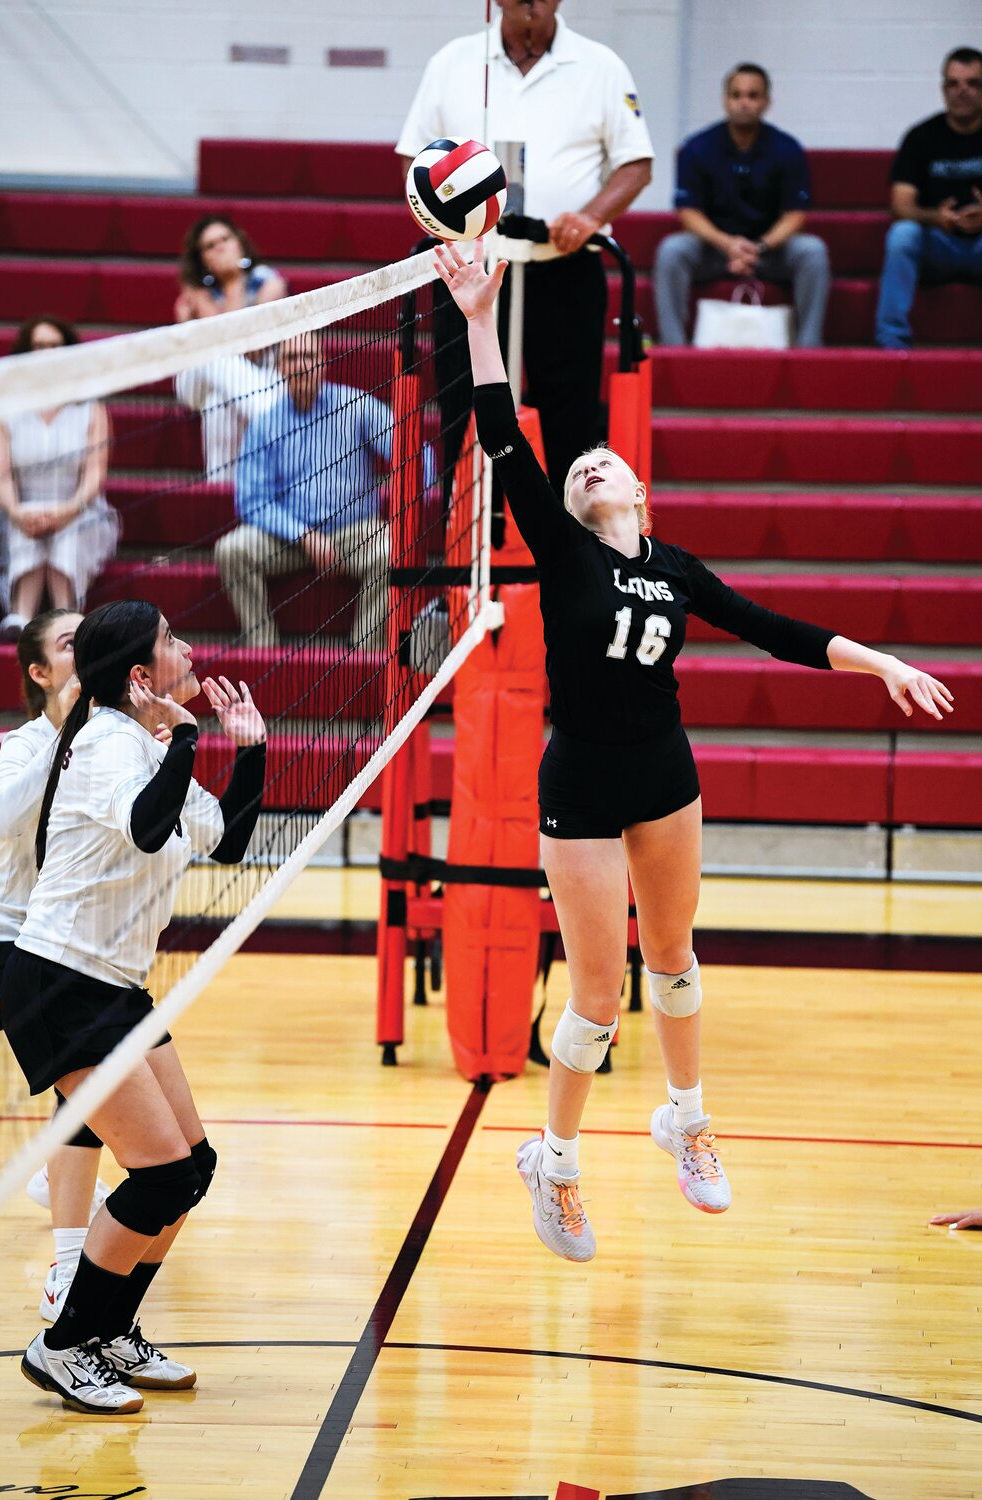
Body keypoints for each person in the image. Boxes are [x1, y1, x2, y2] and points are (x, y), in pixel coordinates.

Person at [435, 238, 955, 1262]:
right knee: (594, 993)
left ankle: (686, 1117)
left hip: (663, 775)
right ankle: (557, 1161)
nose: (591, 464)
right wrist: (478, 318)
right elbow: (502, 432)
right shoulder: (561, 542)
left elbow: (775, 629)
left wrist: (881, 660)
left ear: (634, 489)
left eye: (605, 461)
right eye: (580, 467)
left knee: (671, 960)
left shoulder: (674, 568)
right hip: (578, 778)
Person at [0, 599, 266, 1413]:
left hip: (112, 986)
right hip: (58, 985)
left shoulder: (143, 743)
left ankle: (110, 1330)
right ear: (142, 675)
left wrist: (249, 749)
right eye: (171, 641)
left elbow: (225, 837)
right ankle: (62, 1345)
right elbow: (150, 831)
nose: (188, 648)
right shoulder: (113, 745)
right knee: (159, 1176)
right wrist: (186, 737)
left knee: (192, 1170)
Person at [396, 0, 653, 498]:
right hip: (470, 274)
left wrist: (591, 217)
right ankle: (465, 541)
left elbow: (636, 164)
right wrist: (447, 220)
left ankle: (577, 551)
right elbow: (415, 157)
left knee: (571, 418)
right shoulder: (452, 62)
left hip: (564, 270)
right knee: (465, 410)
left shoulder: (601, 66)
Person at [0, 610, 112, 1320]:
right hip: (12, 947)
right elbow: (0, 822)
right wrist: (65, 736)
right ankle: (68, 1272)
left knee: (89, 1092)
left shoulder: (114, 740)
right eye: (70, 643)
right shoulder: (26, 742)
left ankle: (55, 1181)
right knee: (86, 1093)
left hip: (78, 947)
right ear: (41, 674)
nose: (84, 650)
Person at [215, 332, 392, 649]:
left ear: (323, 362)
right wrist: (304, 535)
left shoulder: (356, 406)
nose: (301, 365)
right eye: (292, 358)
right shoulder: (265, 425)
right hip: (289, 539)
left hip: (354, 533)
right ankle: (263, 652)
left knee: (389, 548)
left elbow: (412, 448)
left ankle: (364, 659)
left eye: (308, 357)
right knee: (231, 550)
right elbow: (252, 502)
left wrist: (411, 484)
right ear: (280, 367)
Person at [654, 62, 829, 348]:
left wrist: (759, 247)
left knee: (813, 251)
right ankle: (674, 347)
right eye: (736, 95)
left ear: (766, 102)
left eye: (752, 95)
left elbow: (796, 215)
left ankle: (809, 348)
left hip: (770, 251)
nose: (743, 103)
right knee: (672, 251)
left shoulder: (787, 149)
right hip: (714, 249)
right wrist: (728, 245)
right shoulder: (697, 148)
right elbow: (688, 212)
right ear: (725, 100)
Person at [0, 317, 120, 642]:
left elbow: (95, 472)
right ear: (26, 352)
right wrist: (18, 510)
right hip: (19, 506)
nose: (46, 353)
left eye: (54, 346)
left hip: (80, 506)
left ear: (68, 352)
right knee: (24, 521)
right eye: (38, 346)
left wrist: (69, 509)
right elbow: (1, 474)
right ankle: (21, 615)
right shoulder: (5, 407)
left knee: (71, 528)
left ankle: (69, 617)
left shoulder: (90, 407)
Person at [875, 47, 982, 350]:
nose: (962, 91)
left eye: (973, 83)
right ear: (943, 89)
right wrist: (935, 218)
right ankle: (892, 344)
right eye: (953, 83)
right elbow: (900, 204)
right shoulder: (921, 137)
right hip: (938, 245)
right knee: (902, 233)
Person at [173, 216, 288, 479]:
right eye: (210, 246)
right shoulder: (195, 292)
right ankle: (273, 420)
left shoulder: (270, 283)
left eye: (225, 239)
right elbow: (221, 345)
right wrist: (229, 284)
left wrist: (235, 281)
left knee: (219, 402)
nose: (220, 248)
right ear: (201, 259)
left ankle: (220, 491)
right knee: (213, 356)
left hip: (254, 375)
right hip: (196, 380)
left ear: (240, 243)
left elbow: (252, 348)